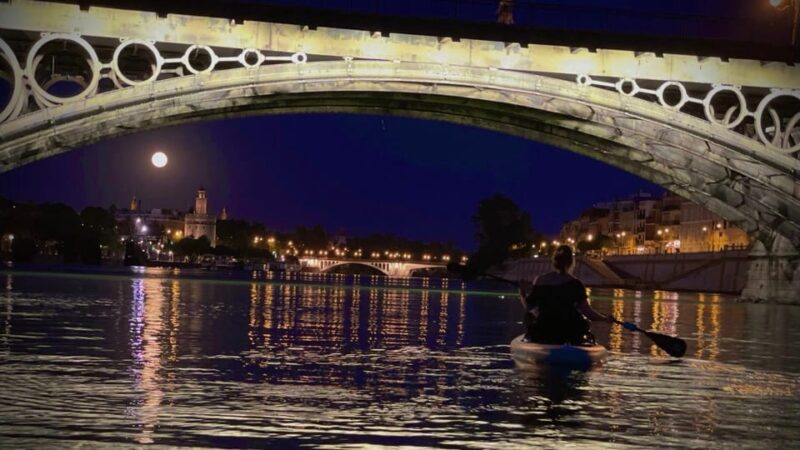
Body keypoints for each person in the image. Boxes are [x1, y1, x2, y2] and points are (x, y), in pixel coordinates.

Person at [518, 245, 615, 345]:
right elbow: (588, 312)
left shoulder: (540, 280)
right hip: (571, 331)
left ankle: (531, 338)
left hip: (545, 329)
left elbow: (528, 307)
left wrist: (522, 293)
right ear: (571, 262)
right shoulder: (576, 284)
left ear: (554, 262)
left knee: (530, 316)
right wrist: (605, 319)